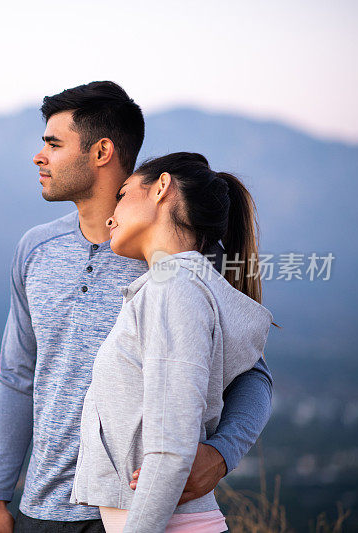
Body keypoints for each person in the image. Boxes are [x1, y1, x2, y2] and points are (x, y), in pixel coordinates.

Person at [0, 82, 274, 532]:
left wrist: (222, 453)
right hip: (39, 510)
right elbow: (17, 377)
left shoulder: (182, 264)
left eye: (53, 144)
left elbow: (250, 373)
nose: (39, 157)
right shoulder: (35, 249)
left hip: (133, 508)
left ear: (100, 152)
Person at [69, 152, 274, 532]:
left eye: (123, 195)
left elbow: (171, 447)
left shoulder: (173, 287)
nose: (111, 216)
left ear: (162, 187)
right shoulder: (180, 285)